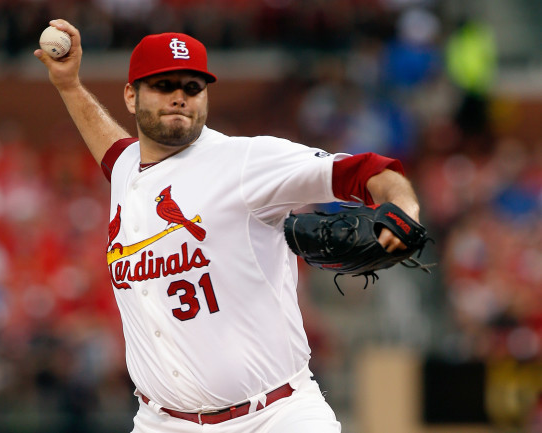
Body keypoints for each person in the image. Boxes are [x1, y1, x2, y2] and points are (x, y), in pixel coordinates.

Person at [35, 19, 421, 433]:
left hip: (274, 416)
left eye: (192, 87)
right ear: (131, 96)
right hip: (162, 423)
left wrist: (404, 207)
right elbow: (111, 146)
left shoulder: (245, 161)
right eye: (164, 86)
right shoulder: (128, 166)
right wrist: (70, 86)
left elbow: (363, 171)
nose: (179, 98)